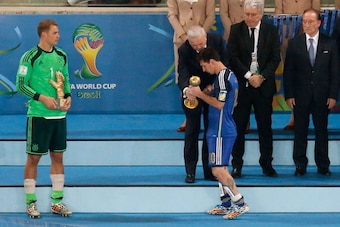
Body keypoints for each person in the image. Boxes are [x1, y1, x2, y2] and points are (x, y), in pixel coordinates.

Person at [15, 19, 72, 218]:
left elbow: (65, 81)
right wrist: (42, 98)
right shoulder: (29, 56)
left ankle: (57, 202)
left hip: (59, 116)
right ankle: (30, 203)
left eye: (58, 32)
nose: (59, 36)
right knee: (34, 158)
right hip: (38, 115)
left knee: (58, 157)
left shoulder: (62, 56)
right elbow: (20, 85)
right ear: (44, 34)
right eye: (55, 33)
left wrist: (68, 97)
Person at [188, 47, 249, 219]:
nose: (203, 70)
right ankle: (225, 203)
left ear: (212, 61)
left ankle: (240, 203)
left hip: (221, 130)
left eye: (204, 66)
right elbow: (232, 101)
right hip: (220, 128)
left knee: (217, 170)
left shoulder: (222, 77)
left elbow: (220, 104)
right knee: (221, 168)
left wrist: (199, 94)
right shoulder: (229, 76)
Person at [283, 9, 340, 176]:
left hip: (322, 96)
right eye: (304, 22)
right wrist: (289, 95)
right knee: (300, 130)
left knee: (321, 130)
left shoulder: (330, 43)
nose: (306, 25)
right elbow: (289, 72)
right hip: (300, 96)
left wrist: (332, 95)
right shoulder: (294, 43)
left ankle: (323, 165)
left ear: (319, 23)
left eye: (310, 22)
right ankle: (300, 164)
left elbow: (335, 72)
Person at [227, 0, 280, 178]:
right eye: (247, 14)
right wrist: (249, 76)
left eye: (253, 15)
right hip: (242, 87)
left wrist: (262, 76)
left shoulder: (271, 31)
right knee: (238, 127)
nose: (249, 18)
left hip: (263, 87)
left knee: (265, 127)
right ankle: (237, 164)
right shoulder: (236, 30)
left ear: (261, 14)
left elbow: (275, 58)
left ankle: (267, 164)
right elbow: (232, 58)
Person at [177, 25, 228, 183]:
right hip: (193, 94)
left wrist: (214, 86)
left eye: (200, 44)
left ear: (205, 37)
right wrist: (187, 90)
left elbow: (224, 65)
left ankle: (209, 170)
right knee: (192, 131)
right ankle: (190, 171)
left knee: (210, 131)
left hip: (212, 91)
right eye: (195, 45)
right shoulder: (184, 49)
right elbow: (183, 73)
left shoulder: (217, 41)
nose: (198, 48)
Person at [167, 0, 216, 133]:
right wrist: (185, 37)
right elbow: (172, 15)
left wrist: (201, 37)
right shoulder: (183, 48)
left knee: (207, 74)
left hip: (202, 40)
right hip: (181, 39)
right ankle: (189, 114)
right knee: (183, 76)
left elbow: (210, 15)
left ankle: (209, 114)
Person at [275, 0, 321, 130]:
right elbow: (278, 12)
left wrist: (306, 25)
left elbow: (316, 9)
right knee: (292, 77)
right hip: (287, 38)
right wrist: (288, 29)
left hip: (309, 34)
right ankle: (294, 116)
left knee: (312, 76)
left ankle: (316, 116)